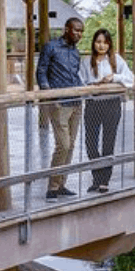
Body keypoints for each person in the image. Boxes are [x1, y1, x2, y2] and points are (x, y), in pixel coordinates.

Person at [36, 18, 87, 200]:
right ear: (67, 29)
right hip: (59, 104)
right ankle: (52, 187)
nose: (79, 34)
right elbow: (41, 71)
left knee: (71, 146)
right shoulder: (51, 47)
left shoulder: (75, 52)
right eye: (76, 31)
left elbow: (75, 75)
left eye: (81, 31)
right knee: (63, 145)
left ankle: (61, 185)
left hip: (76, 103)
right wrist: (48, 93)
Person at [80, 29, 135, 194]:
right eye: (98, 42)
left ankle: (104, 181)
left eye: (104, 42)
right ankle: (97, 176)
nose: (101, 45)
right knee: (90, 143)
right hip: (93, 104)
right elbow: (80, 81)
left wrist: (114, 77)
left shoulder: (116, 60)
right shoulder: (86, 61)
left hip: (111, 104)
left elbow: (130, 78)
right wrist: (93, 87)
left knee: (108, 143)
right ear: (93, 43)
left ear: (109, 43)